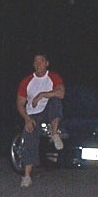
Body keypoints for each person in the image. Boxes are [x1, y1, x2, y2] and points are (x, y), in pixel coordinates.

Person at [16, 53, 65, 187]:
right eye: (36, 62)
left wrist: (42, 95)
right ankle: (27, 176)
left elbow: (61, 93)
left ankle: (54, 133)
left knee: (55, 100)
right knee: (29, 137)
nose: (39, 64)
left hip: (48, 110)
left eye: (41, 61)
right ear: (33, 65)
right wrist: (27, 119)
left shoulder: (53, 77)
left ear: (47, 63)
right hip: (33, 113)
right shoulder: (27, 81)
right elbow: (20, 103)